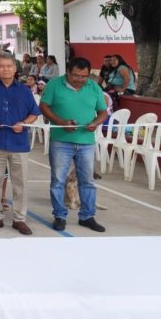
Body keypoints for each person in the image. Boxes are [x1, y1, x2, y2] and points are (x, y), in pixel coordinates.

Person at [39, 57, 108, 233]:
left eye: (84, 76)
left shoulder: (94, 87)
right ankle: (60, 216)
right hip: (61, 141)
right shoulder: (55, 84)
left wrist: (95, 122)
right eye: (76, 75)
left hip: (86, 142)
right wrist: (60, 122)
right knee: (58, 180)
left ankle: (87, 216)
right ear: (68, 72)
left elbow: (102, 112)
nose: (80, 79)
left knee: (87, 181)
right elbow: (44, 106)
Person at [0, 54, 41, 236]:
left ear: (15, 69)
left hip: (18, 143)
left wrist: (24, 123)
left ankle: (19, 219)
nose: (5, 69)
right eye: (2, 66)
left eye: (9, 66)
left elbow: (34, 114)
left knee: (20, 182)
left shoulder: (24, 90)